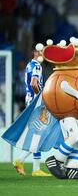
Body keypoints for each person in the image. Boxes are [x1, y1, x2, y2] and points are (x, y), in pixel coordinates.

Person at [12, 46, 51, 177]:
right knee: (40, 133)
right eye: (42, 51)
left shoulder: (29, 65)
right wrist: (41, 97)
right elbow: (34, 84)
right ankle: (20, 160)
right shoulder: (37, 66)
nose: (44, 54)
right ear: (35, 52)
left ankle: (35, 169)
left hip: (29, 100)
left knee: (37, 134)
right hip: (36, 102)